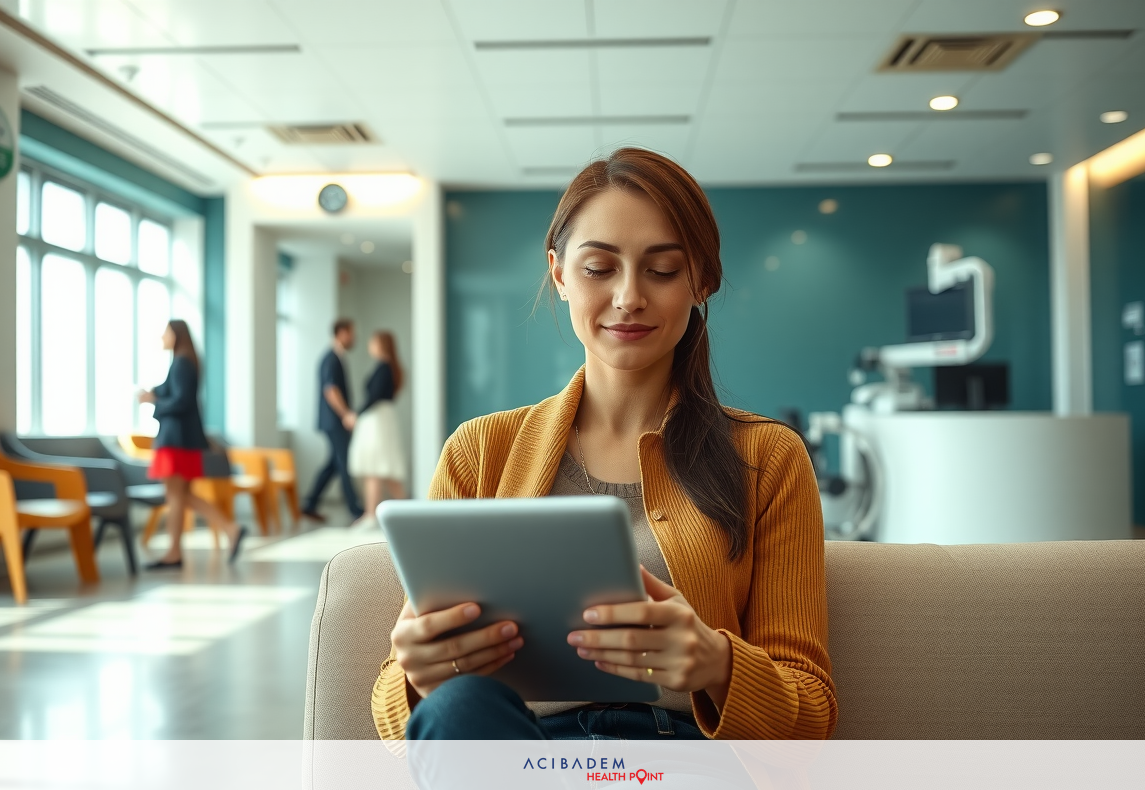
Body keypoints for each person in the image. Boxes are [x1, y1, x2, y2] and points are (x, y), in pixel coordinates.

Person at [371, 148, 836, 742]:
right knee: (457, 709)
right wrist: (414, 678)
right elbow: (401, 716)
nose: (628, 297)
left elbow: (811, 714)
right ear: (560, 274)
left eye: (663, 270)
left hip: (682, 762)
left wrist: (716, 664)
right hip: (523, 760)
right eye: (599, 268)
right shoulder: (479, 452)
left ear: (702, 281)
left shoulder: (769, 460)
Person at [138, 320, 246, 569]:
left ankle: (176, 552)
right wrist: (153, 394)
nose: (162, 338)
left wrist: (153, 401)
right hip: (183, 440)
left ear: (176, 335)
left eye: (165, 333)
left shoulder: (182, 363)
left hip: (176, 441)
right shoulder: (182, 362)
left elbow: (181, 401)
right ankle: (230, 529)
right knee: (181, 495)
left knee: (176, 495)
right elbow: (169, 391)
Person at [302, 319, 364, 522]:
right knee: (345, 461)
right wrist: (346, 413)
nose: (354, 338)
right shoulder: (330, 359)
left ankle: (310, 503)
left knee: (334, 463)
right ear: (341, 333)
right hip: (333, 421)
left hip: (332, 420)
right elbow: (330, 390)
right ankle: (356, 510)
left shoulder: (336, 357)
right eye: (351, 333)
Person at [349, 330, 409, 525]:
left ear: (381, 345)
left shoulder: (384, 368)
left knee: (376, 468)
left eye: (372, 343)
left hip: (377, 421)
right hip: (380, 420)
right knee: (381, 469)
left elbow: (372, 397)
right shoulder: (388, 367)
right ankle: (401, 512)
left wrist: (355, 414)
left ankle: (371, 515)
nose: (370, 347)